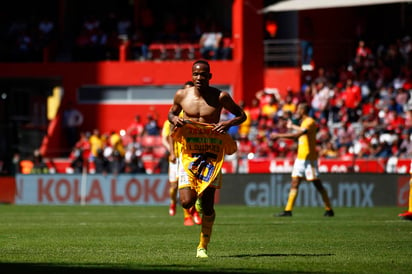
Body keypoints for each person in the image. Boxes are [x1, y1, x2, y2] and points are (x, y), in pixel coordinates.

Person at [168, 60, 246, 258]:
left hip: (211, 155)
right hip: (189, 154)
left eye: (203, 74)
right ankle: (195, 204)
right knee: (186, 202)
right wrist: (174, 119)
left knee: (209, 206)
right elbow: (171, 113)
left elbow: (241, 115)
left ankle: (202, 246)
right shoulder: (181, 95)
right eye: (196, 74)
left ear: (210, 76)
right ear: (192, 75)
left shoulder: (220, 96)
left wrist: (228, 123)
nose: (199, 78)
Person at [271, 103, 334, 217]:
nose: (297, 112)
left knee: (317, 184)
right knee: (295, 182)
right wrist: (293, 126)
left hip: (309, 159)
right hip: (300, 158)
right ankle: (288, 210)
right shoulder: (304, 123)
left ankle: (329, 209)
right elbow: (302, 131)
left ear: (303, 111)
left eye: (299, 110)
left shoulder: (310, 121)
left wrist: (279, 135)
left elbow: (297, 135)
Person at [162, 81, 202, 226]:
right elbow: (171, 135)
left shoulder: (196, 112)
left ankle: (194, 212)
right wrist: (172, 153)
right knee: (176, 187)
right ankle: (183, 211)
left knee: (194, 186)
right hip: (179, 155)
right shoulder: (176, 114)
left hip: (193, 153)